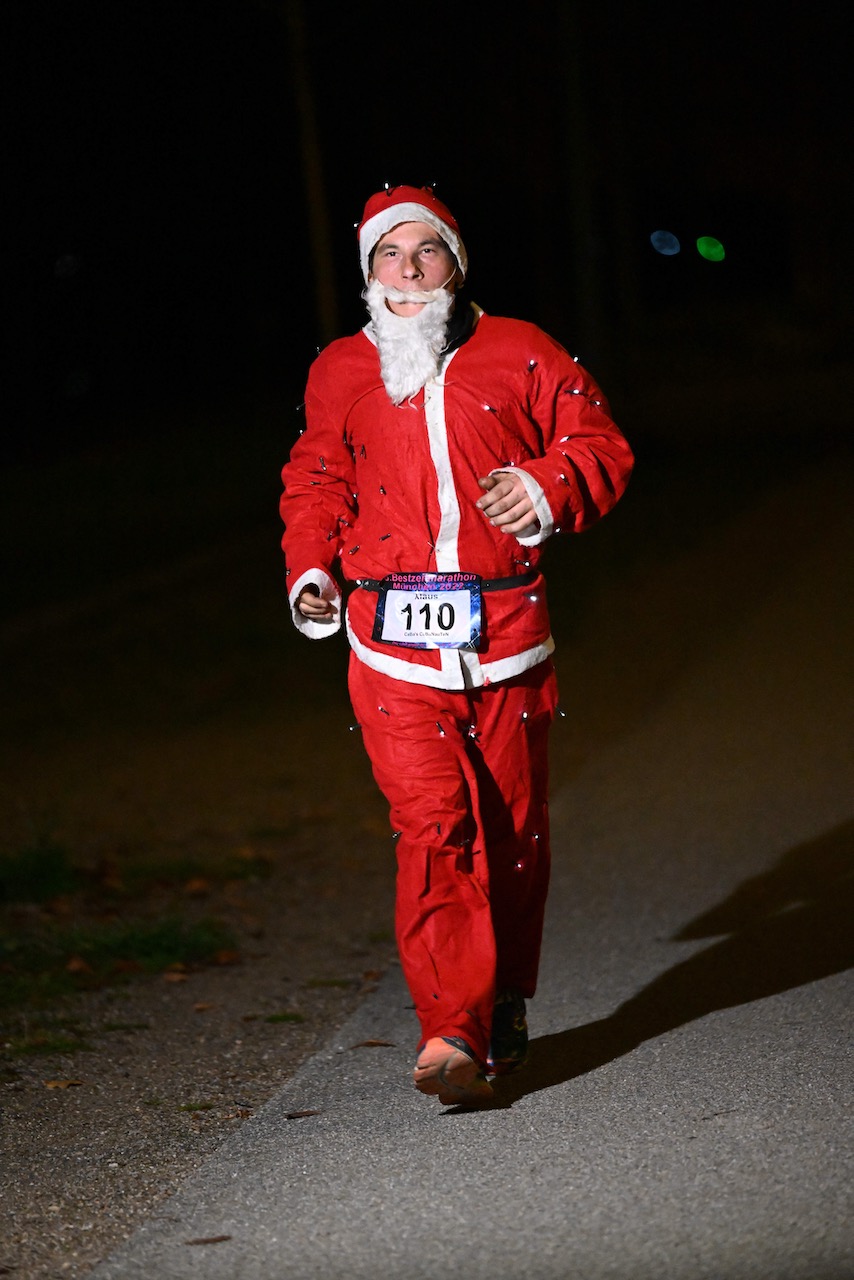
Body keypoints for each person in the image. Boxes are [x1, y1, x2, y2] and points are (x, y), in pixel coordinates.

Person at [280, 184, 633, 1106]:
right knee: (433, 825)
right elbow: (316, 478)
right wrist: (310, 567)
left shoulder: (520, 350)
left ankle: (504, 995)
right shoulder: (339, 370)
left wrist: (550, 484)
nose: (406, 269)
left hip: (506, 633)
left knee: (511, 832)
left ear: (455, 262)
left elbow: (598, 442)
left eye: (423, 251)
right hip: (388, 641)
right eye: (387, 255)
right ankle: (451, 1026)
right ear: (368, 272)